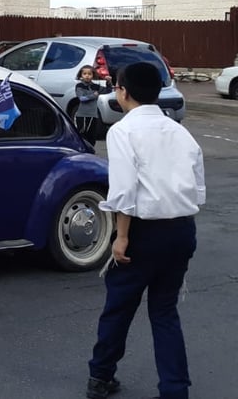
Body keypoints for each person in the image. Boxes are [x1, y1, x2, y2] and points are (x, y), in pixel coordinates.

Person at [86, 62, 206, 399]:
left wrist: (121, 236)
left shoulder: (123, 131)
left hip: (142, 231)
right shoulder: (180, 131)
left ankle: (100, 377)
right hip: (181, 229)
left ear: (123, 91)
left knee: (120, 306)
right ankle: (175, 390)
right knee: (165, 311)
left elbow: (123, 190)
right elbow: (198, 191)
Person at [74, 65, 103, 144]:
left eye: (89, 74)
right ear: (81, 75)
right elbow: (82, 98)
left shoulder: (96, 86)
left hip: (93, 115)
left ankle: (90, 152)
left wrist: (109, 82)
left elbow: (108, 90)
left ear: (93, 75)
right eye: (84, 74)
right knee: (82, 134)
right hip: (82, 115)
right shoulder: (79, 86)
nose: (87, 76)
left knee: (92, 136)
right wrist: (94, 95)